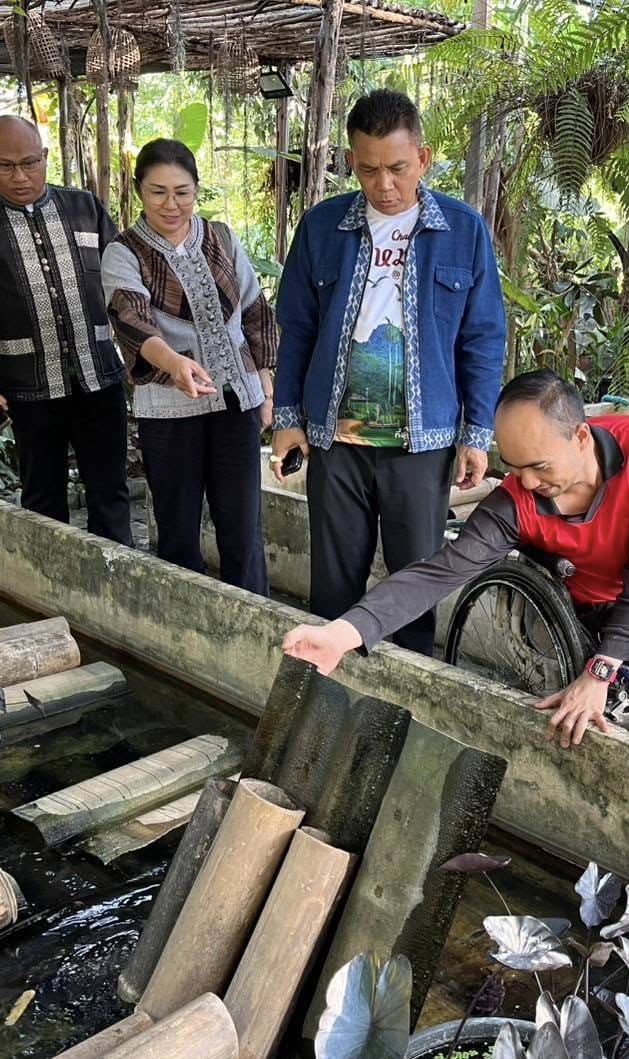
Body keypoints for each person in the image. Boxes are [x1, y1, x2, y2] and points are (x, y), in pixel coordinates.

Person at [282, 371, 629, 763]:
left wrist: (597, 675)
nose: (526, 481)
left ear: (582, 436)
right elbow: (437, 573)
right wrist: (344, 633)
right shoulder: (514, 503)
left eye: (539, 466)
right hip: (594, 603)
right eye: (513, 466)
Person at [270, 89, 506, 656]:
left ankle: (410, 691)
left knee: (416, 582)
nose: (384, 185)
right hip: (337, 440)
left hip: (421, 442)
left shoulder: (463, 230)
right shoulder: (323, 227)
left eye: (398, 168)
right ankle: (331, 690)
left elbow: (482, 338)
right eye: (370, 169)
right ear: (352, 161)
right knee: (333, 586)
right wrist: (286, 418)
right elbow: (297, 328)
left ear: (422, 160)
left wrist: (478, 435)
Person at [0, 114, 132, 545]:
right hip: (27, 390)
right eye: (4, 166)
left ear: (46, 157)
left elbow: (123, 284)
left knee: (111, 494)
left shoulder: (85, 207)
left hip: (99, 378)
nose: (20, 176)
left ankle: (119, 588)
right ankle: (54, 591)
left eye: (30, 163)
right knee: (43, 500)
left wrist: (147, 357)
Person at [100, 139, 277, 593]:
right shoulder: (124, 251)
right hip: (168, 410)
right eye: (158, 191)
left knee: (243, 532)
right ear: (139, 189)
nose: (171, 204)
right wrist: (174, 363)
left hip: (237, 403)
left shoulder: (222, 239)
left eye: (182, 191)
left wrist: (267, 393)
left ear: (196, 189)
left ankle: (255, 627)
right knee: (177, 534)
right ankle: (188, 634)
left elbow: (256, 313)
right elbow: (130, 318)